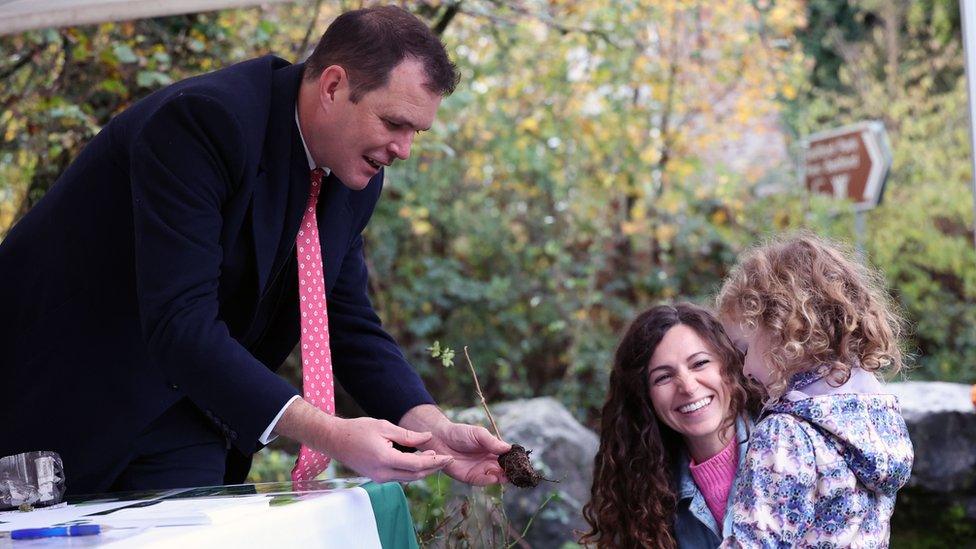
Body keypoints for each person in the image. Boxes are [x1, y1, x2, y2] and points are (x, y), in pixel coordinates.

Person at [0, 5, 510, 495]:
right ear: (333, 86)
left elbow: (345, 318)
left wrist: (428, 425)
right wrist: (331, 433)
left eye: (416, 132)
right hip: (61, 402)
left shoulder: (354, 172)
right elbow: (180, 320)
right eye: (394, 123)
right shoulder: (202, 122)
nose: (404, 150)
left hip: (191, 415)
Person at [716, 233, 914, 547]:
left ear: (784, 332)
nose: (745, 370)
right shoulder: (877, 423)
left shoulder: (786, 434)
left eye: (743, 349)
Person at [581, 303, 763, 549]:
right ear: (645, 397)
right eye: (663, 377)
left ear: (730, 366)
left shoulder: (789, 447)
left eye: (699, 363)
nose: (687, 386)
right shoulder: (647, 493)